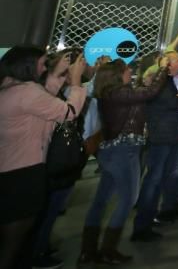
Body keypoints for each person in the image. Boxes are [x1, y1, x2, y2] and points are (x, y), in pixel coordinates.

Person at [0, 47, 86, 269]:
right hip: (24, 170)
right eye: (41, 63)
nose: (43, 66)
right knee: (15, 237)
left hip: (11, 168)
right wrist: (75, 82)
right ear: (26, 65)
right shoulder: (26, 92)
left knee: (14, 234)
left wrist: (56, 75)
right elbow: (69, 112)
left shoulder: (11, 88)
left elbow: (43, 101)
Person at [80, 59, 168, 264]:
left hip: (113, 150)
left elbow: (143, 95)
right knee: (128, 198)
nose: (130, 71)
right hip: (124, 151)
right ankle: (108, 250)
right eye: (127, 69)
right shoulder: (117, 93)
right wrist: (163, 69)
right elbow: (150, 93)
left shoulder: (112, 93)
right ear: (117, 74)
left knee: (101, 200)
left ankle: (89, 250)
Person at [132, 50, 178, 242]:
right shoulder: (160, 81)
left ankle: (154, 215)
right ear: (167, 64)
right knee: (154, 179)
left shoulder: (173, 80)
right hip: (161, 136)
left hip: (172, 134)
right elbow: (176, 102)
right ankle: (142, 225)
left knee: (163, 176)